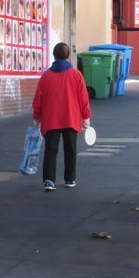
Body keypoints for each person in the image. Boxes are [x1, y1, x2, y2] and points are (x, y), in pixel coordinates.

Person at [32, 42, 91, 191]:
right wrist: (86, 117)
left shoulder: (46, 76)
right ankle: (70, 179)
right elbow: (83, 98)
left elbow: (38, 98)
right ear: (68, 55)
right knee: (70, 149)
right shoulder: (76, 75)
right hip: (71, 117)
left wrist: (37, 117)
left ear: (54, 55)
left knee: (50, 150)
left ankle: (49, 181)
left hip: (51, 118)